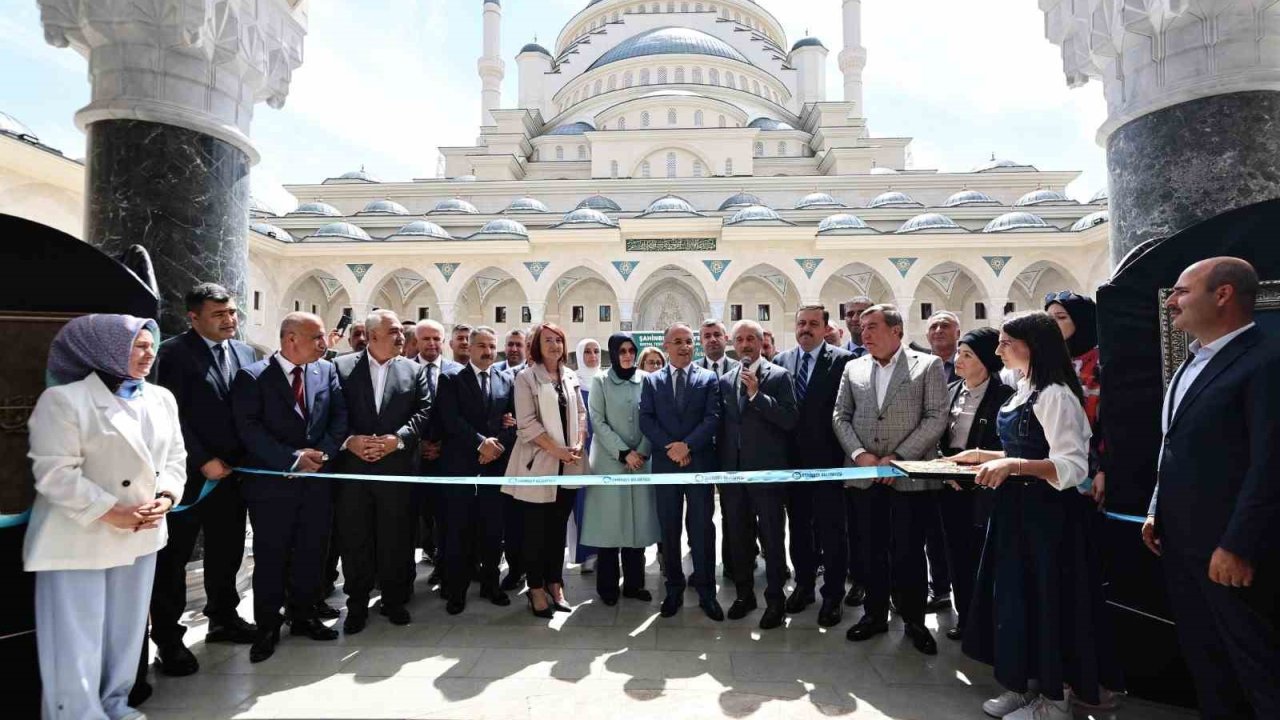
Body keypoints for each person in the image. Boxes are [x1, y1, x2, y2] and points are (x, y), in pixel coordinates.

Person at [956, 311, 1120, 719]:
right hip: (1016, 515)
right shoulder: (1023, 389)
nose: (998, 350)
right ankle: (1026, 683)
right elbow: (1028, 448)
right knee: (1018, 601)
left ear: (1033, 346)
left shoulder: (1056, 394)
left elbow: (1070, 466)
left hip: (1049, 520)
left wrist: (1012, 467)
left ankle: (1055, 697)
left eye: (1006, 342)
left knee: (1049, 603)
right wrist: (984, 456)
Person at [26, 314, 185, 720]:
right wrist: (109, 512)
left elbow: (175, 460)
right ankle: (77, 713)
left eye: (151, 345)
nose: (149, 354)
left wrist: (166, 497)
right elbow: (54, 472)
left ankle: (115, 703)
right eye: (138, 346)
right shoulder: (64, 400)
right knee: (77, 635)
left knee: (125, 632)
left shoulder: (162, 398)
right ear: (104, 349)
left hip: (142, 534)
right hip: (79, 536)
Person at [1142, 257, 1280, 718]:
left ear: (1222, 295)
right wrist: (1156, 510)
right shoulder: (1190, 363)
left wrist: (1238, 544)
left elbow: (1270, 465)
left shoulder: (1265, 362)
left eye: (1182, 291)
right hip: (1183, 547)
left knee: (1258, 670)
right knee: (1209, 666)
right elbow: (1174, 448)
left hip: (1233, 555)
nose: (1171, 303)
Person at [146, 284, 258, 678]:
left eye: (232, 312)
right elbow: (170, 416)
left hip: (233, 476)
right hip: (187, 481)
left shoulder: (244, 352)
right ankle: (169, 639)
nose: (230, 320)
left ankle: (224, 618)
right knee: (173, 560)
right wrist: (202, 460)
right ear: (194, 318)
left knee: (227, 550)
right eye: (219, 314)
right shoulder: (173, 354)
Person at [832, 304, 949, 655]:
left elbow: (936, 417)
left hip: (908, 478)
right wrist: (861, 457)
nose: (864, 333)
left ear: (896, 330)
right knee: (869, 552)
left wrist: (897, 458)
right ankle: (874, 615)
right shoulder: (853, 368)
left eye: (872, 327)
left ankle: (914, 621)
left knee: (909, 553)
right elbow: (841, 416)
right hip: (866, 478)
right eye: (862, 327)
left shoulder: (927, 365)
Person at [231, 312, 348, 663]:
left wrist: (322, 454)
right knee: (271, 557)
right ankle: (267, 624)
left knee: (312, 551)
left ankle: (304, 614)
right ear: (291, 338)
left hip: (317, 483)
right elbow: (248, 428)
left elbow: (339, 418)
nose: (324, 345)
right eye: (317, 338)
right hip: (272, 486)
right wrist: (291, 458)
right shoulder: (252, 377)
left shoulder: (326, 371)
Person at [333, 310, 432, 633]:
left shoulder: (413, 370)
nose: (402, 337)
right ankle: (357, 604)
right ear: (373, 335)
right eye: (393, 332)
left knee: (396, 539)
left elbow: (423, 411)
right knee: (355, 539)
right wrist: (350, 441)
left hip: (396, 469)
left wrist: (397, 441)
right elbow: (332, 411)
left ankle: (393, 600)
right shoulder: (341, 367)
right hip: (354, 471)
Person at [774, 305, 854, 627]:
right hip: (792, 465)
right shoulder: (781, 362)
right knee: (799, 529)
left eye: (813, 324)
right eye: (801, 323)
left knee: (832, 531)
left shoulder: (843, 362)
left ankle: (833, 595)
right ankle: (804, 585)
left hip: (830, 464)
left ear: (824, 328)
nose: (806, 329)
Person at [639, 322, 724, 621]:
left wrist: (687, 446)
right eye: (677, 341)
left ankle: (706, 591)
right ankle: (674, 587)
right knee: (669, 528)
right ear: (666, 346)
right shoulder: (651, 381)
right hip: (665, 466)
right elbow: (646, 420)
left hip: (699, 463)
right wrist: (671, 448)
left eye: (689, 341)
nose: (685, 346)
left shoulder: (707, 378)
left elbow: (713, 417)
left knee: (701, 528)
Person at [503, 323, 587, 618]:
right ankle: (535, 587)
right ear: (537, 346)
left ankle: (555, 583)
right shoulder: (526, 377)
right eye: (548, 340)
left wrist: (577, 443)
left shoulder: (570, 375)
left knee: (557, 530)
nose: (554, 345)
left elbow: (580, 413)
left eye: (559, 340)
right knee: (535, 532)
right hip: (537, 465)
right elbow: (526, 423)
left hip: (569, 466)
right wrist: (558, 451)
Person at [717, 319, 797, 630]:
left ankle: (775, 600)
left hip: (767, 474)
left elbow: (790, 419)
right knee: (738, 537)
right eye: (740, 339)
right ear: (733, 345)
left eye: (752, 338)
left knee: (773, 538)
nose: (746, 344)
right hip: (734, 476)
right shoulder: (724, 380)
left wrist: (757, 396)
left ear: (762, 343)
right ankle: (744, 594)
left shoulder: (778, 376)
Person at [934, 327, 1012, 642]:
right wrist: (946, 470)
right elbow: (937, 434)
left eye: (967, 354)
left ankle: (988, 623)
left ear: (985, 361)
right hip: (948, 486)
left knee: (983, 557)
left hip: (985, 488)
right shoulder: (950, 390)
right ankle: (966, 618)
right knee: (956, 555)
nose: (958, 359)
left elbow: (1003, 443)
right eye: (959, 353)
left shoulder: (1003, 397)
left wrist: (969, 472)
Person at [437, 326, 518, 613]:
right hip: (461, 466)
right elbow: (450, 419)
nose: (487, 351)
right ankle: (457, 591)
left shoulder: (506, 378)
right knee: (459, 530)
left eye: (491, 346)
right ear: (468, 348)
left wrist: (496, 446)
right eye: (481, 345)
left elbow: (512, 420)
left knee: (493, 531)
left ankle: (490, 585)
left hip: (495, 465)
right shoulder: (450, 378)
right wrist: (479, 443)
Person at [581, 333, 660, 605]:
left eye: (631, 350)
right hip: (609, 462)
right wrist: (623, 452)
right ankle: (607, 588)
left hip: (640, 462)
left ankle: (635, 585)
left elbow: (652, 418)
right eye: (622, 351)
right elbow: (597, 421)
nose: (627, 355)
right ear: (613, 354)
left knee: (636, 527)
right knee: (609, 527)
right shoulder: (601, 381)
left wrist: (642, 450)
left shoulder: (647, 380)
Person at [1043, 292, 1106, 506]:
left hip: (1093, 470)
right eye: (1048, 319)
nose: (1052, 325)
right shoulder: (1047, 363)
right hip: (1051, 470)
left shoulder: (1102, 363)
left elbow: (1111, 421)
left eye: (1060, 318)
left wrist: (1104, 468)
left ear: (1082, 320)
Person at [922, 310, 962, 614]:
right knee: (933, 531)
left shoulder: (968, 364)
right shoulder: (920, 366)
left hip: (963, 464)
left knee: (956, 532)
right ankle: (939, 588)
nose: (938, 330)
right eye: (933, 326)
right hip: (927, 460)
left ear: (957, 332)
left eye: (945, 325)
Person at [414, 319, 459, 576]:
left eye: (436, 339)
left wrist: (443, 444)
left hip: (447, 457)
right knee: (415, 517)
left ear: (443, 342)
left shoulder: (456, 372)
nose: (431, 343)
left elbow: (458, 417)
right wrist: (418, 444)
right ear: (416, 341)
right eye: (426, 339)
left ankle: (444, 570)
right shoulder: (405, 370)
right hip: (413, 458)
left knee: (447, 518)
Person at [568, 338, 602, 571]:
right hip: (580, 452)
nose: (592, 356)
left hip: (604, 453)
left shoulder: (606, 380)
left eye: (596, 351)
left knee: (602, 504)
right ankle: (586, 554)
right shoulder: (572, 382)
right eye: (587, 352)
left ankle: (605, 552)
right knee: (582, 504)